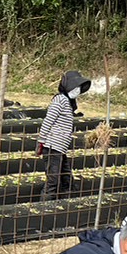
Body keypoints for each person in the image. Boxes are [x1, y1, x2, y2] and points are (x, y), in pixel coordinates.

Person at [37, 70, 91, 200]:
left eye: (79, 88)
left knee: (66, 178)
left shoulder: (68, 102)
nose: (77, 91)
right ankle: (43, 206)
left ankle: (65, 204)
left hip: (60, 148)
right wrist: (41, 141)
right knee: (53, 181)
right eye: (75, 88)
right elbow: (48, 120)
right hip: (52, 147)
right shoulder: (60, 100)